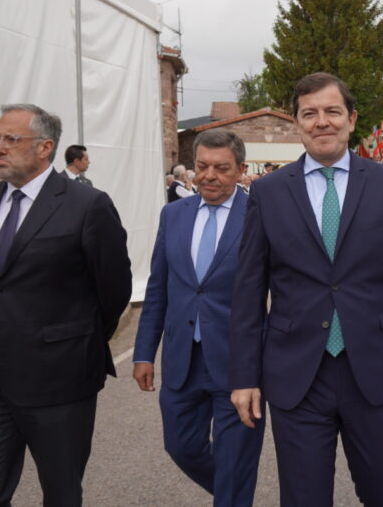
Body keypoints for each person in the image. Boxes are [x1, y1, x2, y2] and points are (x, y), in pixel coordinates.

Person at [229, 72, 383, 507]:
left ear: (351, 119)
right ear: (296, 122)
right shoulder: (267, 192)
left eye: (332, 111)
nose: (321, 121)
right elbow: (248, 291)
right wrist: (244, 376)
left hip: (376, 371)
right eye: (310, 113)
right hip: (297, 375)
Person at [0, 103, 132, 506]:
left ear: (44, 147)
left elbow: (113, 289)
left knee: (61, 493)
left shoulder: (87, 205)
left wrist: (72, 340)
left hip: (59, 379)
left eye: (11, 139)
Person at [134, 129, 264, 506]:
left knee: (235, 462)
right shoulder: (174, 214)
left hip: (239, 363)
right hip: (182, 361)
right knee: (182, 447)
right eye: (202, 166)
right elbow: (159, 288)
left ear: (241, 170)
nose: (209, 176)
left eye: (221, 168)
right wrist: (144, 353)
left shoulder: (260, 216)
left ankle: (233, 495)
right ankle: (232, 493)